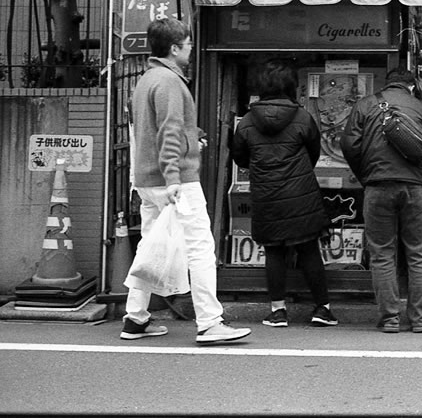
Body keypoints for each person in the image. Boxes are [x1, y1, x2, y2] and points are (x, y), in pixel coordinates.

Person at [122, 17, 252, 344]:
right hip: (175, 181)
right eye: (188, 44)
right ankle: (210, 322)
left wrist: (191, 142)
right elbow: (168, 129)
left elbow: (151, 133)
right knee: (200, 248)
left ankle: (135, 318)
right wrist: (174, 175)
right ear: (175, 48)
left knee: (151, 247)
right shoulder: (169, 82)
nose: (192, 49)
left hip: (148, 180)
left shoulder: (146, 80)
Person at [231, 58, 337, 328]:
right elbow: (314, 153)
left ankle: (278, 310)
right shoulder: (303, 117)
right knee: (309, 249)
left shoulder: (246, 122)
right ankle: (322, 308)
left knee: (274, 251)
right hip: (301, 193)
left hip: (267, 194)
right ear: (291, 85)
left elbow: (240, 158)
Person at [341, 68, 422, 334]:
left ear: (388, 85)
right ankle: (420, 320)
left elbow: (349, 145)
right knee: (418, 252)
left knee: (382, 253)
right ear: (411, 87)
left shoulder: (366, 104)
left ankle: (390, 319)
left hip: (378, 185)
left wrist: (367, 175)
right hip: (415, 187)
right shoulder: (419, 108)